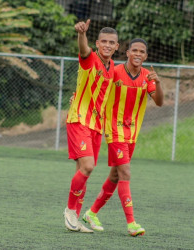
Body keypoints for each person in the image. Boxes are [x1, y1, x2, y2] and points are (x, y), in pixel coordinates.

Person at [82, 38, 164, 236]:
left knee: (116, 175)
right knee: (126, 173)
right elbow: (98, 88)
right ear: (127, 53)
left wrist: (158, 83)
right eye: (134, 50)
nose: (137, 54)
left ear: (145, 56)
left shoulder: (147, 76)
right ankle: (132, 223)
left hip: (132, 133)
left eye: (141, 51)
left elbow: (159, 102)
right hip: (114, 131)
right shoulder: (115, 71)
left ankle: (91, 213)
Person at [63, 19, 119, 233]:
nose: (106, 45)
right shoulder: (91, 59)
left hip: (96, 125)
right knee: (88, 166)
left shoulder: (113, 67)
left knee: (83, 171)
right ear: (97, 43)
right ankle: (69, 210)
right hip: (79, 120)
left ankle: (75, 218)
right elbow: (83, 51)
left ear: (117, 46)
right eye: (103, 41)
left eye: (111, 42)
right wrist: (81, 34)